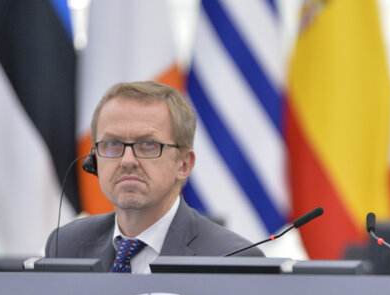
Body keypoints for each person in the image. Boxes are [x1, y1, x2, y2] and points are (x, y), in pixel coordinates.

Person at [45, 81, 262, 272]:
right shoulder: (65, 245)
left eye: (148, 144)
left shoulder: (232, 258)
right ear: (94, 160)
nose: (127, 160)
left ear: (184, 164)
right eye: (112, 144)